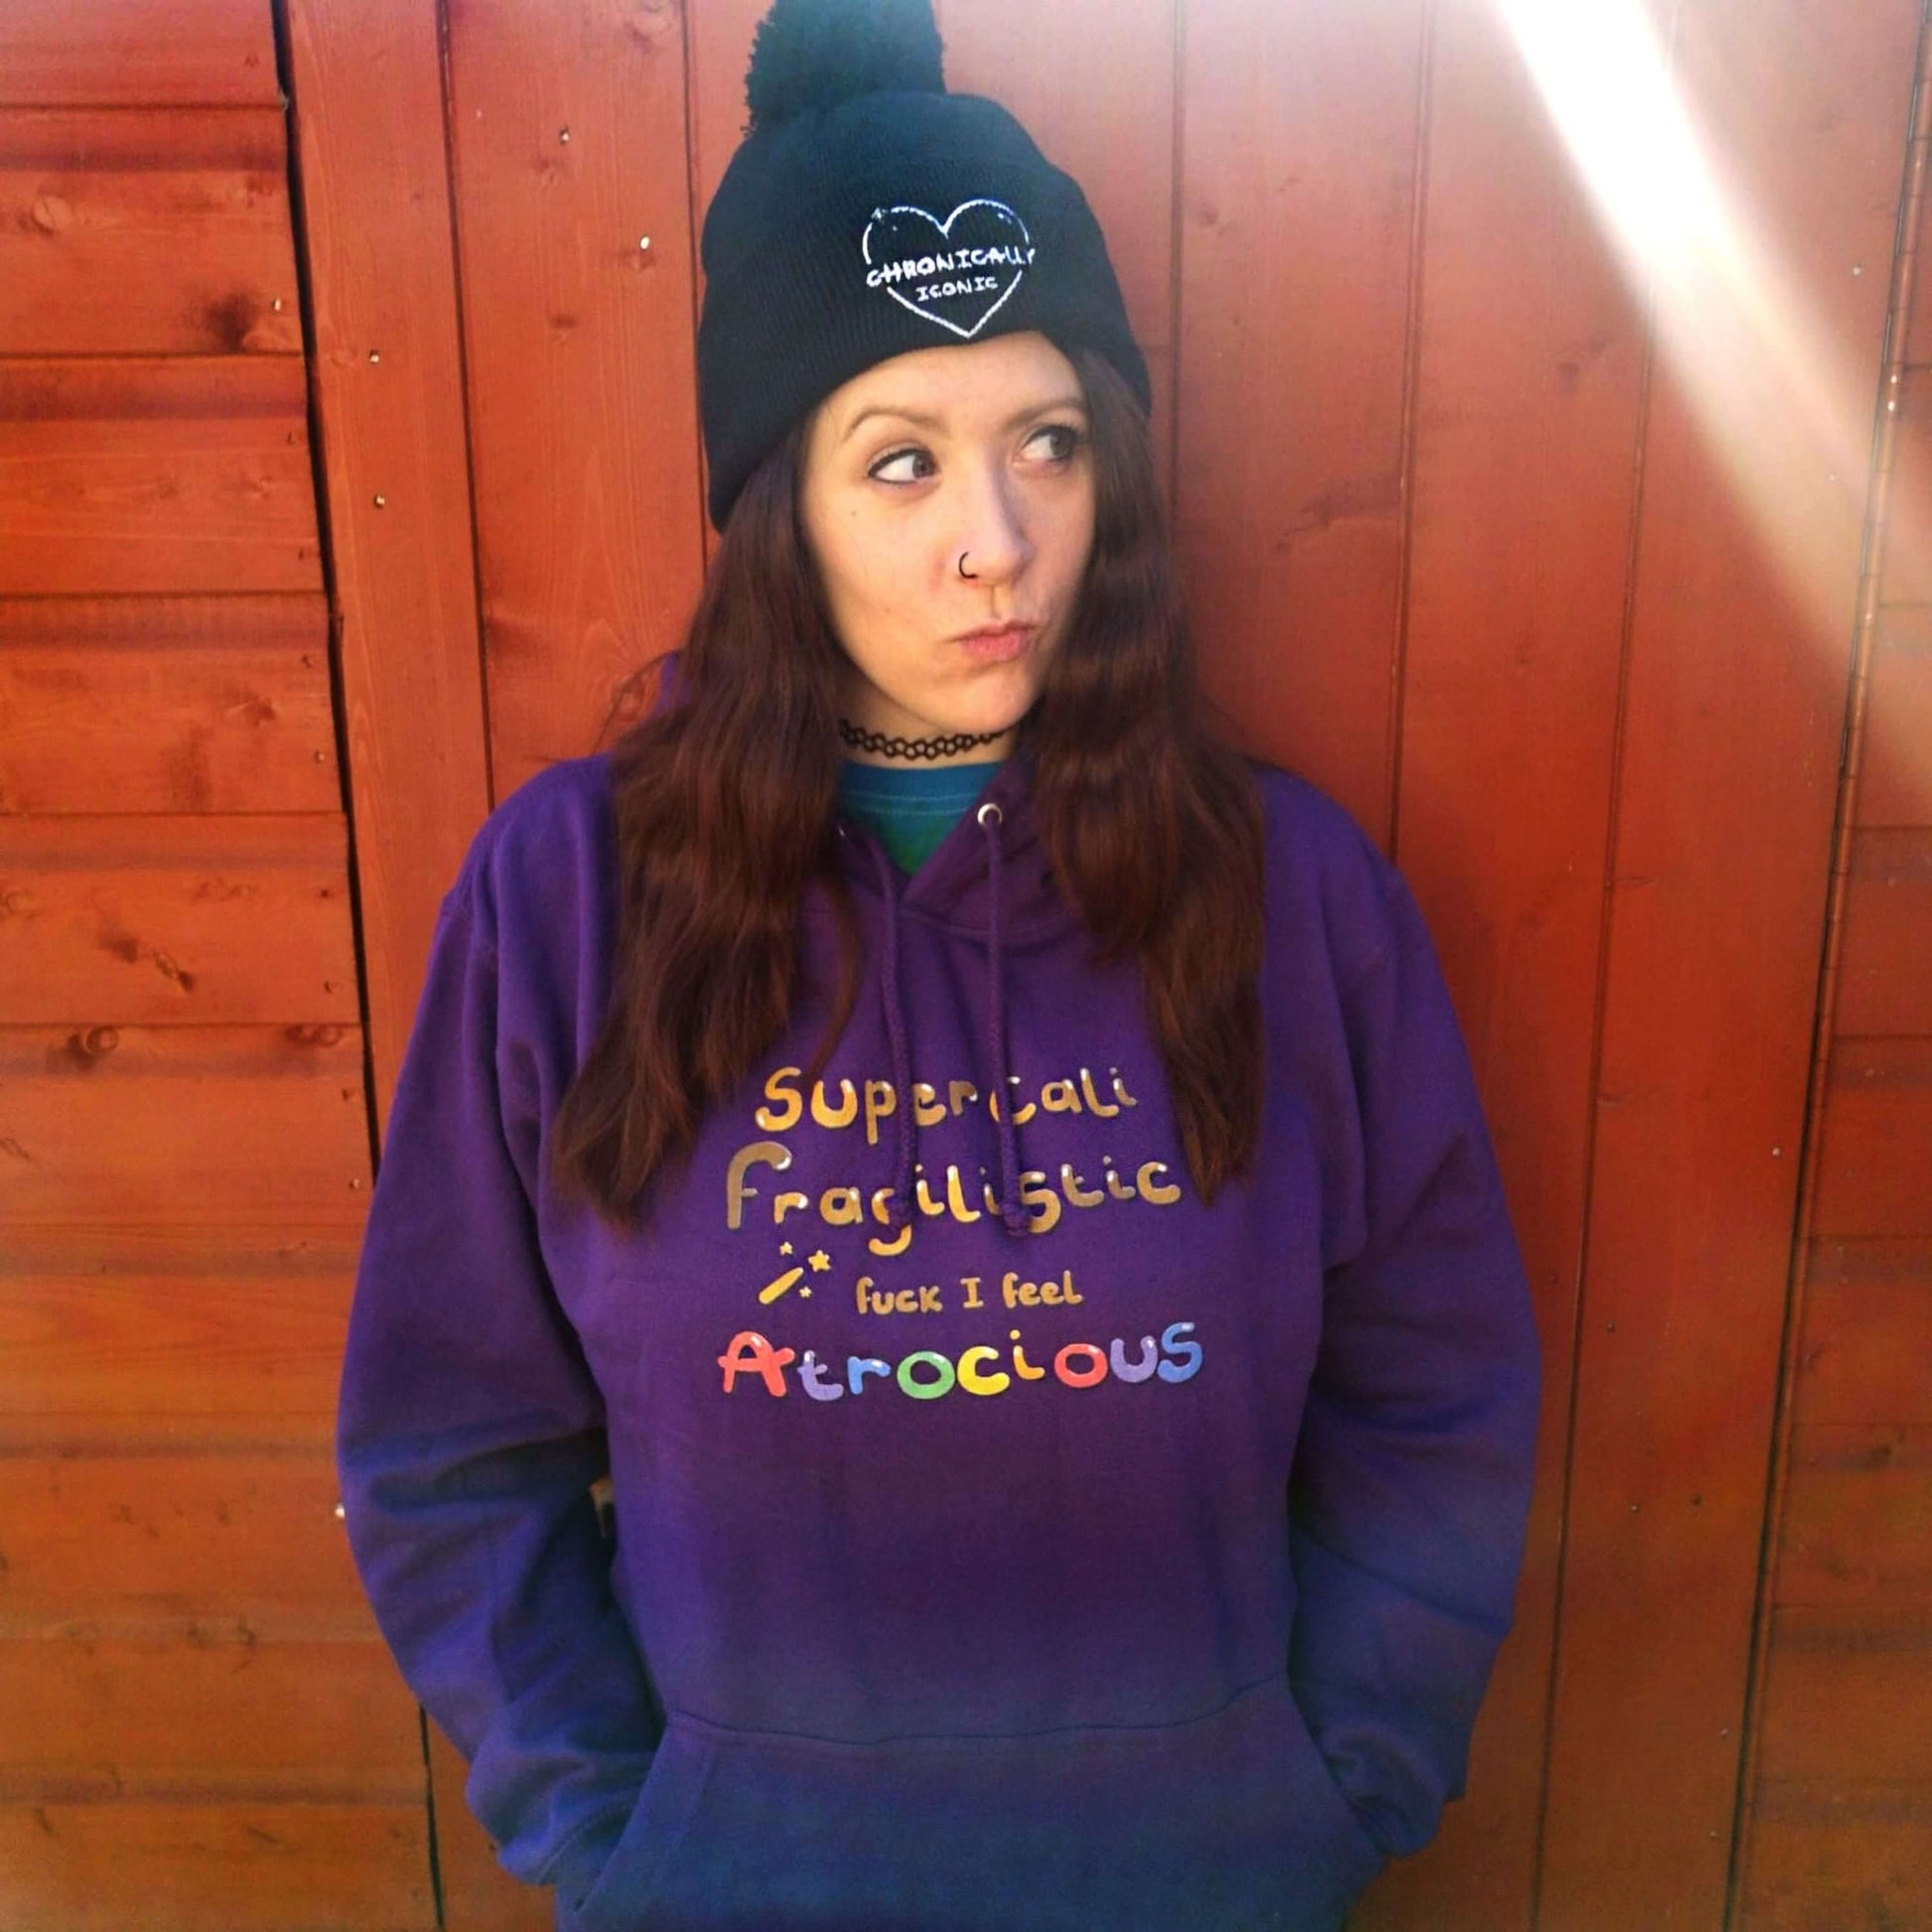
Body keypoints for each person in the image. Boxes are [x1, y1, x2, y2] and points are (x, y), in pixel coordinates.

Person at [334, 1, 1543, 1927]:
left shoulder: (1288, 893)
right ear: (777, 513)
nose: (996, 541)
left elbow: (1434, 1386)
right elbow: (449, 1439)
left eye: (1045, 443)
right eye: (899, 461)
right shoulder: (567, 899)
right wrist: (616, 1831)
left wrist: (1329, 1781)